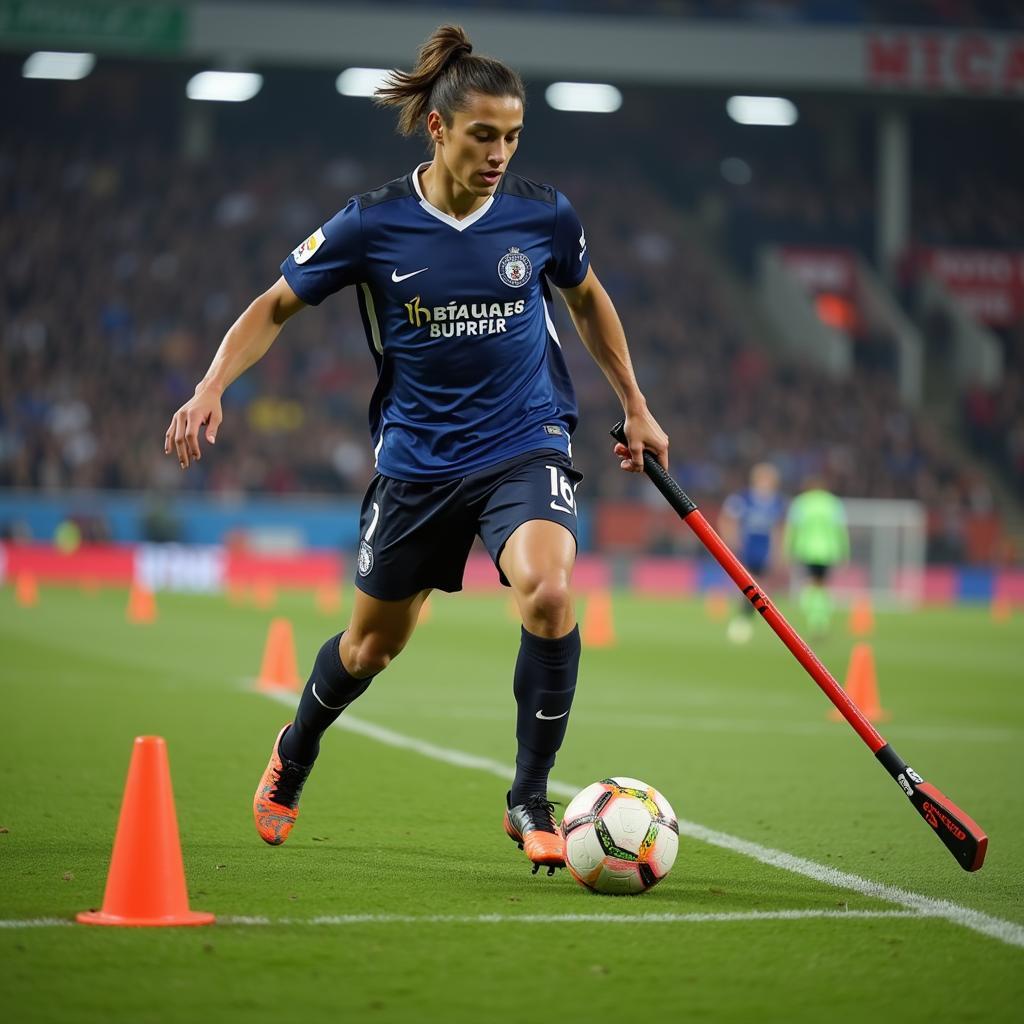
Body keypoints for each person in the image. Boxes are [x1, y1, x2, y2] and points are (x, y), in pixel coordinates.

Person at [164, 25, 668, 875]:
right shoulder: (372, 225)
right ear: (438, 130)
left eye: (512, 135)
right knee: (370, 650)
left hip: (525, 441)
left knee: (548, 592)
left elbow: (588, 300)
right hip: (419, 464)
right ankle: (296, 746)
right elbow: (272, 307)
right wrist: (211, 385)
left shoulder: (543, 214)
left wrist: (636, 404)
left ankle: (528, 794)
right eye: (483, 134)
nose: (500, 152)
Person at [718, 462, 785, 645]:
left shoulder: (777, 502)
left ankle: (747, 619)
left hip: (765, 549)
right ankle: (744, 619)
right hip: (746, 547)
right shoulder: (743, 498)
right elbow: (727, 519)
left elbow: (779, 528)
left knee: (760, 587)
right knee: (748, 586)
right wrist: (731, 540)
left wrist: (777, 550)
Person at [783, 475, 849, 637]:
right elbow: (841, 529)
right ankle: (820, 617)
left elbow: (792, 528)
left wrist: (787, 548)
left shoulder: (801, 502)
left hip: (806, 549)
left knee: (812, 582)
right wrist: (845, 551)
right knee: (822, 583)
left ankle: (812, 613)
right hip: (828, 550)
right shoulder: (833, 503)